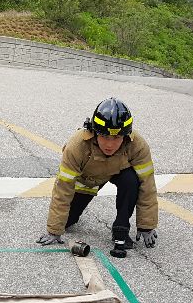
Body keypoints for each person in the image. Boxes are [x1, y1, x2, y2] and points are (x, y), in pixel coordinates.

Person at [35, 97, 159, 257]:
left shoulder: (137, 145)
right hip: (88, 181)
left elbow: (147, 185)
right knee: (68, 222)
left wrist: (146, 225)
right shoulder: (77, 146)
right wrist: (54, 230)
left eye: (116, 138)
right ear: (94, 132)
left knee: (131, 180)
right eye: (105, 137)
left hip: (119, 173)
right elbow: (63, 189)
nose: (110, 144)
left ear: (126, 135)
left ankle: (121, 229)